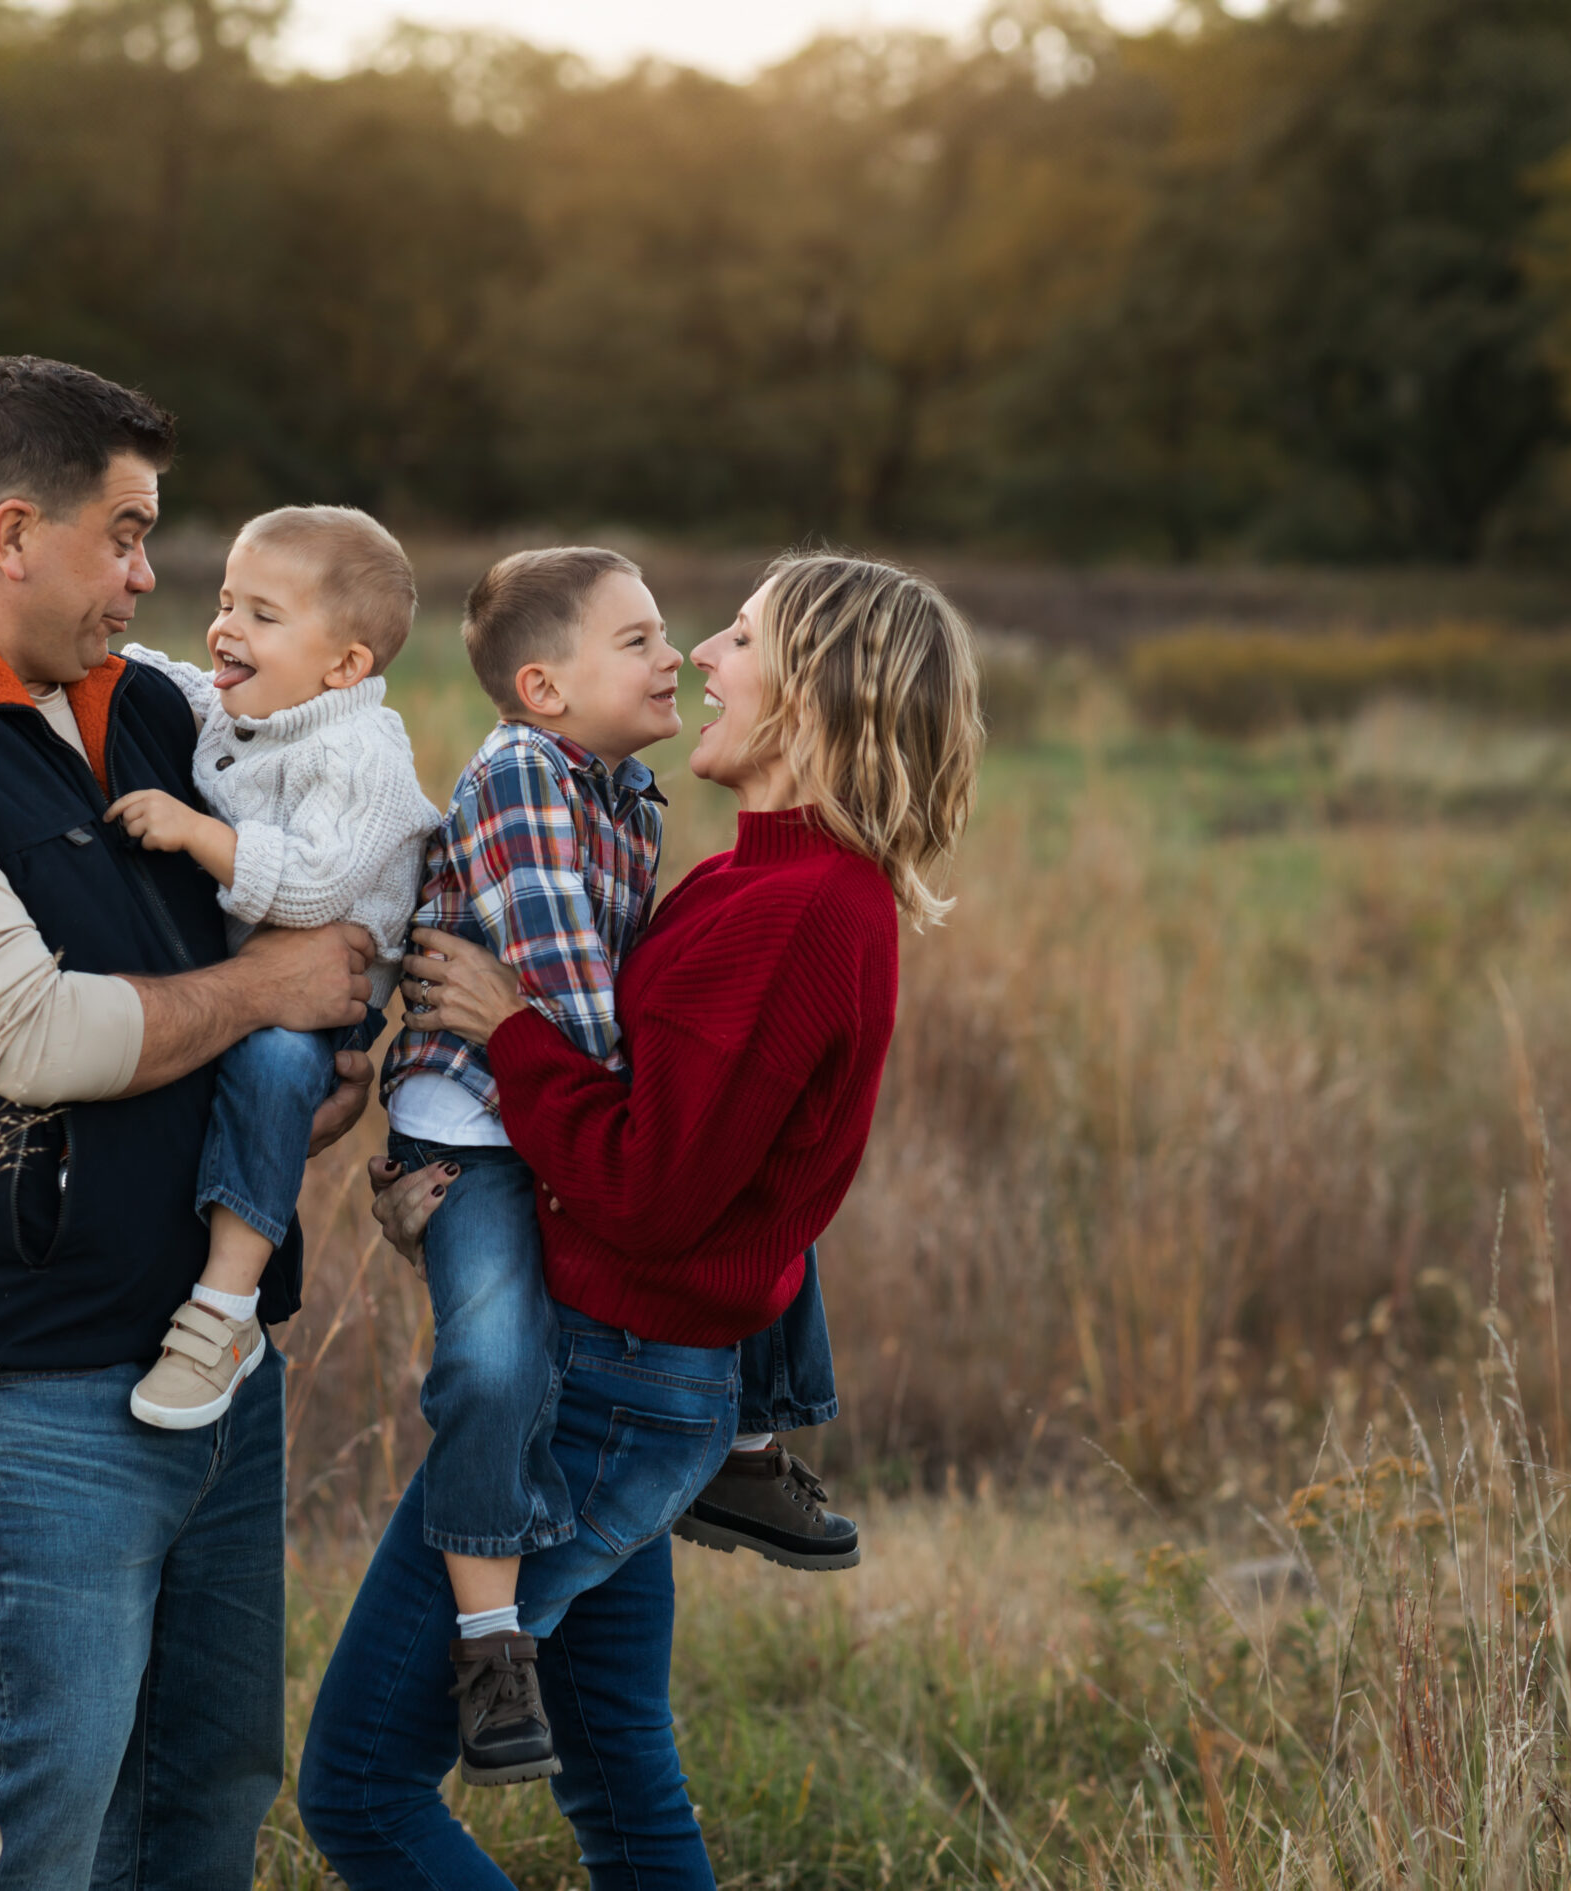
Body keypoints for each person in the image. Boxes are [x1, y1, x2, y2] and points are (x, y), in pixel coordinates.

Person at [0, 355, 375, 1891]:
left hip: (221, 1349)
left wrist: (320, 1057)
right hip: (36, 1373)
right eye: (128, 533)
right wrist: (271, 989)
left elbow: (333, 837)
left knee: (206, 1788)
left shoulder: (163, 704)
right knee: (43, 1811)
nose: (150, 577)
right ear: (15, 531)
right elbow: (35, 1035)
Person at [298, 552, 985, 1889]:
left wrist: (507, 1031)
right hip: (629, 1369)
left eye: (739, 636)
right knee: (616, 1761)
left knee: (364, 1787)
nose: (701, 659)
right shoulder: (762, 879)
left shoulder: (788, 912)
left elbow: (653, 1189)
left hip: (603, 1390)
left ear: (813, 696)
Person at [372, 546, 856, 1789]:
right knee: (489, 1358)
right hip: (485, 1126)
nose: (681, 655)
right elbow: (570, 991)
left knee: (448, 1778)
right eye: (639, 639)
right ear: (541, 686)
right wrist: (617, 1111)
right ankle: (495, 1636)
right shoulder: (534, 777)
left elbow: (621, 1036)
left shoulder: (634, 796)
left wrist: (628, 1122)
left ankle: (746, 1449)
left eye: (707, 639)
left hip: (579, 1195)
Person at [106, 506, 439, 1428]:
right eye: (224, 602)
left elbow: (314, 887)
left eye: (261, 614)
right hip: (257, 978)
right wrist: (101, 656)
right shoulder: (251, 704)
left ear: (345, 666)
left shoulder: (357, 750)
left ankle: (224, 1307)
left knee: (274, 1068)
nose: (225, 629)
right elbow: (177, 682)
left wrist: (197, 831)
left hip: (326, 993)